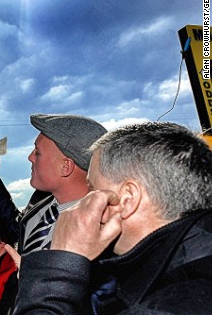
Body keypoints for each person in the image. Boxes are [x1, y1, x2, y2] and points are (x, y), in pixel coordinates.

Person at [14, 122, 212, 314]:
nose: (85, 199)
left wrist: (56, 272)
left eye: (92, 189)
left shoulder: (173, 304)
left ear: (128, 199)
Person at [0, 114, 107, 254]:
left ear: (65, 167)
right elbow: (17, 231)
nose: (30, 157)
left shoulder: (101, 230)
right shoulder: (41, 198)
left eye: (37, 152)